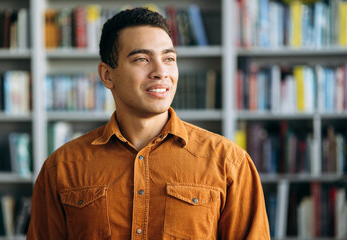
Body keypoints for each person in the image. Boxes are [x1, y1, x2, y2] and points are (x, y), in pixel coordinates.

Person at [27, 7, 270, 240]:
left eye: (169, 58)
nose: (160, 72)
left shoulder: (229, 163)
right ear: (107, 75)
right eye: (142, 59)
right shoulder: (62, 167)